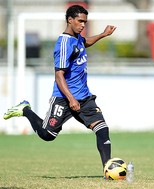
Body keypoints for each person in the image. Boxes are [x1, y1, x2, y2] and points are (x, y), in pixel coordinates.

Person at [3, 5, 116, 169]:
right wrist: (71, 99)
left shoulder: (77, 38)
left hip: (84, 97)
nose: (83, 25)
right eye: (80, 21)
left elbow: (85, 43)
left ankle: (108, 168)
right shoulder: (63, 44)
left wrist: (103, 35)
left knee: (102, 128)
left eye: (85, 22)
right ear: (70, 20)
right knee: (47, 135)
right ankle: (26, 109)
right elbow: (59, 75)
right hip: (64, 98)